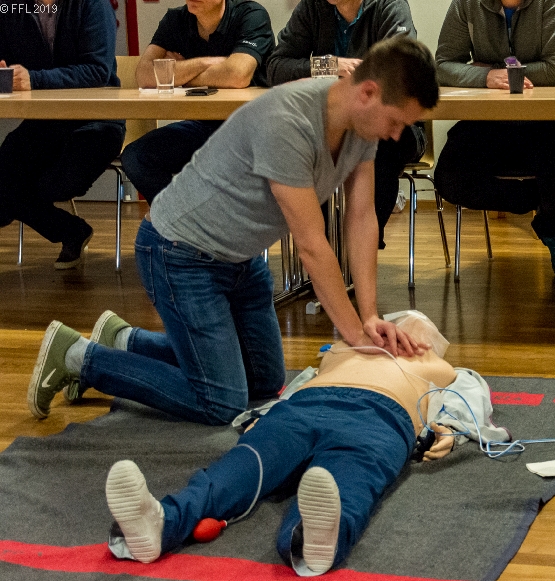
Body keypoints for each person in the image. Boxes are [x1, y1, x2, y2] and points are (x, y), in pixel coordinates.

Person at [27, 37, 440, 428]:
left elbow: (362, 217)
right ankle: (78, 356)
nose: (396, 134)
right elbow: (312, 246)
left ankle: (125, 340)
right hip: (178, 253)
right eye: (395, 122)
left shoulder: (361, 124)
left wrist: (369, 316)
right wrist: (354, 335)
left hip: (239, 259)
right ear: (367, 92)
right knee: (220, 400)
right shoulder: (290, 120)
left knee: (264, 383)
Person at [103, 314, 508, 576]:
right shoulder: (346, 348)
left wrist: (451, 429)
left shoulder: (443, 368)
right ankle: (157, 521)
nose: (416, 332)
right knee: (237, 471)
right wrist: (261, 415)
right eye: (406, 322)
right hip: (303, 409)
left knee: (347, 487)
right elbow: (297, 385)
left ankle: (309, 539)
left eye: (426, 332)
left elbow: (471, 400)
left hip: (381, 419)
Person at [433, 0, 555, 278]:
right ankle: (549, 204)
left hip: (549, 119)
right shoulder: (466, 3)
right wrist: (485, 76)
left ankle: (553, 229)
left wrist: (488, 69)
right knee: (450, 179)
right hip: (488, 120)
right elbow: (442, 66)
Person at [267, 0, 424, 250]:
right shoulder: (312, 8)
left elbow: (402, 68)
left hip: (389, 127)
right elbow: (275, 68)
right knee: (298, 144)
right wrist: (330, 65)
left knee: (377, 144)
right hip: (329, 126)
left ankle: (357, 249)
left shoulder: (390, 6)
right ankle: (325, 248)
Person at [0, 0, 126, 269]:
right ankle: (72, 231)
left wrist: (35, 79)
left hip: (98, 121)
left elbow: (97, 71)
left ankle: (15, 205)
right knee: (4, 176)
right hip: (45, 121)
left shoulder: (92, 4)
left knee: (47, 186)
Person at [119, 0, 275, 204]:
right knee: (136, 157)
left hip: (249, 130)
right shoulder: (175, 19)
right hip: (203, 126)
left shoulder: (251, 15)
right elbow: (144, 76)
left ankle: (188, 218)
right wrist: (206, 62)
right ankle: (181, 217)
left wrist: (179, 75)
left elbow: (237, 75)